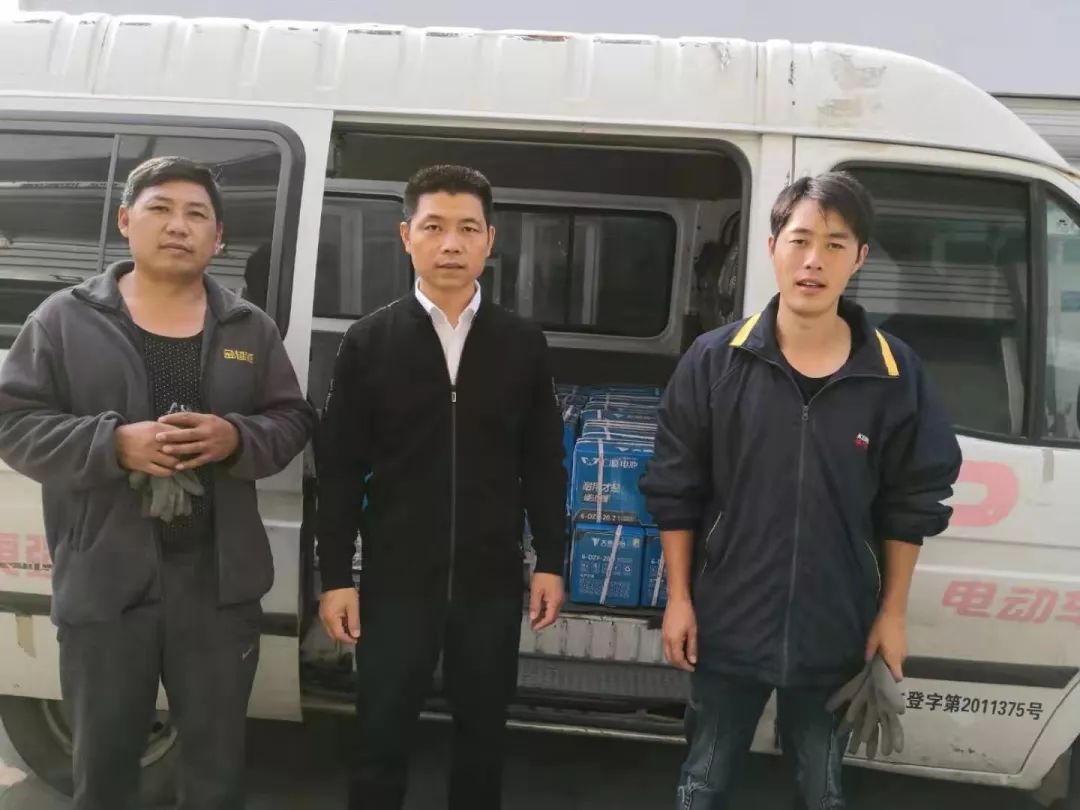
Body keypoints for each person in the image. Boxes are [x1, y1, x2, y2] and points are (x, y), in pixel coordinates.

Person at [639, 172, 962, 809]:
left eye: (835, 244)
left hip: (837, 630)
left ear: (860, 258)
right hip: (728, 623)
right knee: (703, 781)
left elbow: (913, 503)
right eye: (801, 239)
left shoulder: (895, 374)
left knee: (823, 790)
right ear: (772, 247)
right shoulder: (714, 361)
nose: (814, 260)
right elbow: (676, 488)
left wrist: (892, 614)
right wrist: (679, 599)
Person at [0, 156, 315, 810]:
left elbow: (291, 420)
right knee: (104, 770)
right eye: (161, 209)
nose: (179, 225)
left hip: (217, 587)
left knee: (215, 772)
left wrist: (236, 438)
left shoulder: (248, 327)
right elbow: (13, 423)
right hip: (107, 580)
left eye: (197, 214)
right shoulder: (64, 320)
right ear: (125, 220)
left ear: (218, 238)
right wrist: (112, 444)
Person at [315, 164, 567, 810]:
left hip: (489, 581)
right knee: (380, 734)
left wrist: (552, 560)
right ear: (406, 236)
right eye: (433, 227)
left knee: (483, 736)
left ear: (490, 240)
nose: (450, 244)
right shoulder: (369, 342)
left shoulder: (522, 344)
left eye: (467, 229)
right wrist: (336, 575)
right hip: (396, 580)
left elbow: (543, 460)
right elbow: (339, 466)